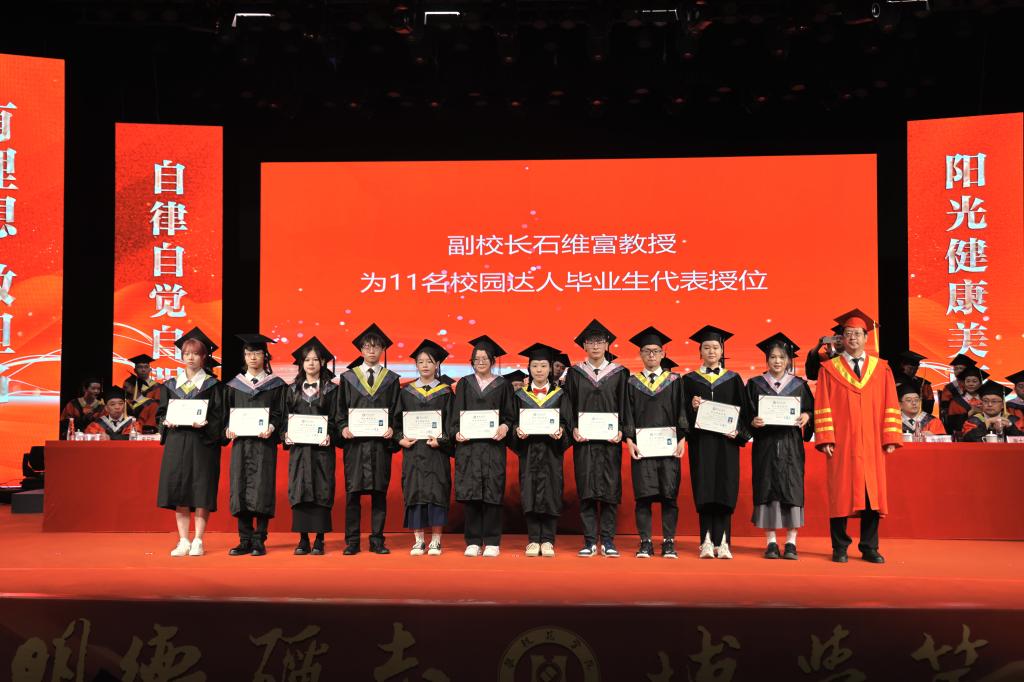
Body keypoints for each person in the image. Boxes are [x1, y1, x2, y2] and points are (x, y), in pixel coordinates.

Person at [813, 309, 900, 564]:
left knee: (872, 494)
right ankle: (839, 547)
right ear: (841, 338)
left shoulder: (881, 368)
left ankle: (869, 547)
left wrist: (890, 437)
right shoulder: (829, 369)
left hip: (872, 441)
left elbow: (891, 403)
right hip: (842, 441)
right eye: (848, 334)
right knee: (840, 493)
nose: (853, 338)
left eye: (858, 334)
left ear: (866, 337)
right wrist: (825, 438)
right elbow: (822, 405)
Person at [681, 325, 750, 560]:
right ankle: (706, 541)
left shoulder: (733, 379)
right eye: (706, 348)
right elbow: (681, 414)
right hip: (702, 445)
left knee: (724, 489)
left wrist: (737, 432)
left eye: (715, 347)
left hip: (726, 445)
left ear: (722, 351)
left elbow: (744, 412)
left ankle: (724, 542)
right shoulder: (689, 380)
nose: (711, 351)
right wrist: (692, 408)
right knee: (705, 489)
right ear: (700, 352)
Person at [156, 327, 224, 557]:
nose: (191, 358)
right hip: (177, 443)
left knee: (201, 490)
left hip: (202, 444)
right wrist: (166, 422)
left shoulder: (213, 386)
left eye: (195, 353)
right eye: (187, 353)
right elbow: (161, 413)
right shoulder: (170, 385)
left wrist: (206, 423)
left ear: (204, 357)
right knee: (180, 490)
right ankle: (183, 540)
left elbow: (220, 416)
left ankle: (198, 540)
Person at [564, 319, 628, 558]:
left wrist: (622, 430)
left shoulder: (620, 373)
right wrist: (573, 428)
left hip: (610, 442)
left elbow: (625, 404)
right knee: (587, 490)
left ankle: (608, 541)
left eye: (600, 341)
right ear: (584, 346)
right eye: (590, 342)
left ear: (607, 344)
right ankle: (590, 541)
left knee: (610, 491)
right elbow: (568, 405)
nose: (595, 346)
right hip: (585, 442)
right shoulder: (575, 373)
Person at [746, 333, 813, 561]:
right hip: (765, 446)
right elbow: (745, 414)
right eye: (773, 357)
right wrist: (752, 421)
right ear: (767, 360)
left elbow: (811, 410)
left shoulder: (799, 385)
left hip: (790, 446)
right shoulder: (754, 384)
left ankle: (791, 542)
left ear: (788, 360)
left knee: (792, 489)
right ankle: (771, 542)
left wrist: (807, 416)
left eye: (782, 357)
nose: (777, 361)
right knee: (767, 489)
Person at [622, 326, 686, 560]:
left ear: (663, 354)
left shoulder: (675, 381)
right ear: (640, 354)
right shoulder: (632, 382)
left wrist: (682, 439)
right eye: (647, 351)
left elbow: (681, 411)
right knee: (643, 497)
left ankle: (669, 542)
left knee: (669, 496)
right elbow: (627, 413)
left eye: (656, 351)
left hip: (669, 448)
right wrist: (629, 440)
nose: (651, 355)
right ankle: (645, 542)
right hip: (643, 448)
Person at [338, 323, 401, 556]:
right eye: (367, 347)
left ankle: (377, 540)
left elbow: (396, 411)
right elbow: (340, 411)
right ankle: (352, 541)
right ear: (361, 350)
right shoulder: (348, 378)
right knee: (353, 494)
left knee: (379, 493)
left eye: (376, 347)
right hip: (355, 446)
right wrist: (343, 427)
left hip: (379, 446)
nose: (371, 351)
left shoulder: (391, 379)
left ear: (383, 350)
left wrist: (392, 428)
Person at [224, 333, 286, 557]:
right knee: (240, 487)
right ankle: (244, 539)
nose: (252, 357)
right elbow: (226, 414)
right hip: (241, 445)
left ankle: (259, 539)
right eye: (248, 353)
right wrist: (227, 428)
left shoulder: (276, 385)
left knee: (262, 488)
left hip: (263, 445)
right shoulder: (234, 385)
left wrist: (272, 426)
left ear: (264, 356)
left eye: (257, 353)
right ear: (244, 356)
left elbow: (280, 413)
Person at [452, 335, 514, 558]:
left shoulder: (503, 385)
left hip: (492, 448)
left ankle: (492, 541)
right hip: (469, 448)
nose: (480, 362)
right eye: (477, 359)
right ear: (472, 361)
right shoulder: (464, 383)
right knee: (472, 495)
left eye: (485, 358)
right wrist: (456, 432)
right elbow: (455, 415)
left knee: (492, 493)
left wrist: (505, 426)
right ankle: (473, 541)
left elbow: (510, 416)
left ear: (492, 360)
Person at [395, 339, 454, 556]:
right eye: (420, 362)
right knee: (415, 492)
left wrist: (442, 440)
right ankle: (419, 540)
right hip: (414, 452)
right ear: (416, 365)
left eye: (429, 361)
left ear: (437, 364)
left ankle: (436, 541)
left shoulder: (446, 392)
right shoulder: (406, 392)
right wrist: (400, 439)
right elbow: (396, 422)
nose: (425, 365)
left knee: (437, 493)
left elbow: (452, 423)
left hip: (436, 453)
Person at [281, 336, 339, 556]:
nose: (311, 363)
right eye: (307, 360)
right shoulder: (291, 390)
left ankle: (320, 539)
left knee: (321, 489)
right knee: (300, 490)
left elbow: (337, 419)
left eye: (315, 359)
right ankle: (303, 539)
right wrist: (286, 435)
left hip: (322, 452)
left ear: (322, 362)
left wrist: (330, 434)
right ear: (301, 363)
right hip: (299, 452)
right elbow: (285, 420)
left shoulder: (332, 390)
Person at [511, 343, 569, 557]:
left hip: (551, 452)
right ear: (529, 368)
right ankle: (533, 540)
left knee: (551, 492)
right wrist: (517, 431)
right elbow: (512, 422)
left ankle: (548, 540)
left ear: (550, 368)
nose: (539, 370)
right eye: (535, 365)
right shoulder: (520, 396)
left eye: (543, 366)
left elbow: (567, 422)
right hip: (529, 453)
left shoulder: (561, 395)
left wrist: (561, 431)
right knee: (530, 492)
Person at [123, 354, 161, 433]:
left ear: (150, 370)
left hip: (148, 425)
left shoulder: (157, 388)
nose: (143, 370)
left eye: (146, 367)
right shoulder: (129, 385)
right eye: (140, 367)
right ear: (135, 370)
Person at [945, 366, 986, 439]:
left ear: (980, 384)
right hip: (963, 437)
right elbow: (951, 425)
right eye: (968, 381)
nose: (971, 384)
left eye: (974, 381)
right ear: (964, 384)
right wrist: (969, 413)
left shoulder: (986, 400)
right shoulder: (956, 401)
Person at [891, 351, 936, 416]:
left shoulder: (922, 382)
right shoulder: (895, 379)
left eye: (915, 369)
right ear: (902, 366)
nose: (912, 371)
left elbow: (929, 405)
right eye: (910, 368)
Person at [939, 353, 978, 427]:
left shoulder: (977, 386)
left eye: (961, 368)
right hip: (956, 419)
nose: (958, 371)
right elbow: (944, 408)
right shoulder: (950, 387)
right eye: (956, 369)